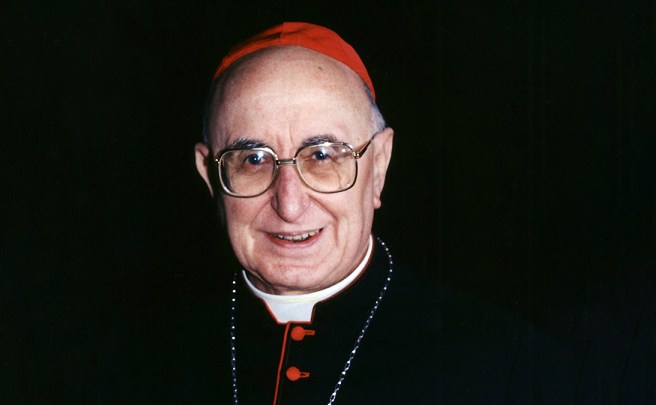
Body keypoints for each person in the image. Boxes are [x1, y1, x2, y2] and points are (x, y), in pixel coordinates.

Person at [182, 21, 581, 404]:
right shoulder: (132, 364)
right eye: (252, 159)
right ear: (210, 177)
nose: (289, 205)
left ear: (379, 167)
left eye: (323, 155)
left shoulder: (509, 366)